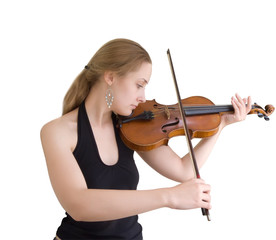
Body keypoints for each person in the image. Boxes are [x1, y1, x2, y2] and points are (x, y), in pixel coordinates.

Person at [40, 38, 252, 240]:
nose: (142, 97)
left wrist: (221, 124)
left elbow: (184, 170)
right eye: (139, 84)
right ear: (111, 77)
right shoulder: (57, 132)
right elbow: (79, 206)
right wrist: (169, 197)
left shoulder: (132, 125)